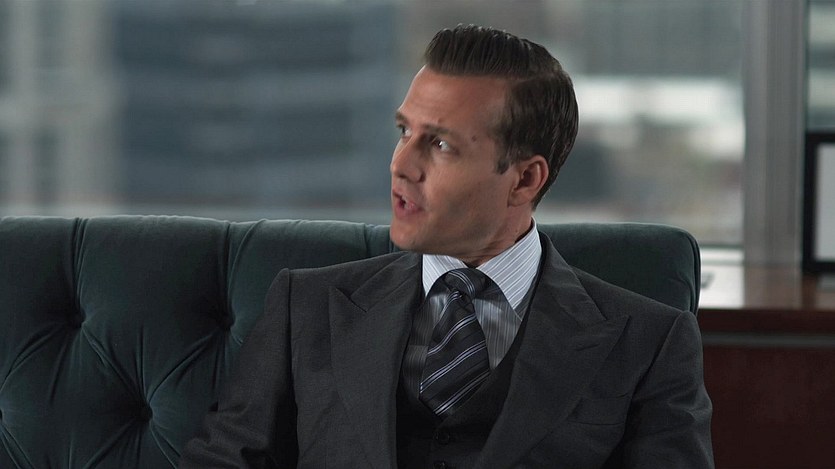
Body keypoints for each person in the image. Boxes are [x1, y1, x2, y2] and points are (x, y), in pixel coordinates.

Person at [180, 24, 713, 468]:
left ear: (524, 179)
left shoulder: (649, 342)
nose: (401, 165)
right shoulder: (306, 307)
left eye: (439, 143)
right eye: (403, 132)